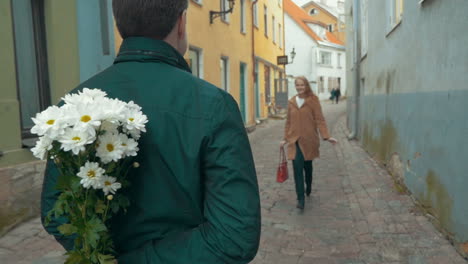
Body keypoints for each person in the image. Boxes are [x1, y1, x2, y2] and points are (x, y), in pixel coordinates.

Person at [41, 0, 261, 263]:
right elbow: (234, 238)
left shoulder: (76, 102)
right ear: (181, 23)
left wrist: (103, 255)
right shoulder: (213, 104)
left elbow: (57, 213)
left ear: (119, 23)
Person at [280, 76, 337, 210]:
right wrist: (285, 139)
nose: (299, 87)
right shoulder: (291, 102)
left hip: (309, 140)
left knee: (307, 167)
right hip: (294, 141)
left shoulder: (313, 100)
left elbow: (320, 120)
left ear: (306, 86)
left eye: (302, 85)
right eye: (297, 85)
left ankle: (309, 185)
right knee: (297, 168)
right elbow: (288, 122)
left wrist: (327, 136)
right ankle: (300, 199)